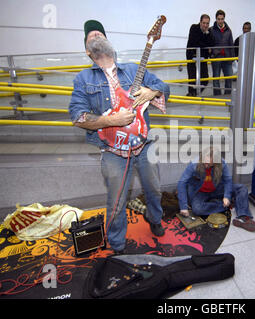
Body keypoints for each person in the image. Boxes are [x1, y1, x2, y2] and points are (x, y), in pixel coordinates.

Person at [68, 20, 170, 254]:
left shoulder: (134, 70)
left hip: (144, 144)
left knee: (154, 188)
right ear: (87, 51)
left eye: (99, 33)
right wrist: (110, 121)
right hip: (113, 151)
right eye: (90, 36)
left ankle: (155, 219)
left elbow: (164, 87)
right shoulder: (83, 79)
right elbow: (77, 115)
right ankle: (117, 243)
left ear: (107, 41)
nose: (95, 36)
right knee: (116, 201)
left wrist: (151, 91)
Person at [177, 147, 255, 232]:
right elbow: (181, 183)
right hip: (200, 192)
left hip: (217, 188)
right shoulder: (194, 164)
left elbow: (228, 180)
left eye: (209, 164)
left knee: (242, 188)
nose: (206, 165)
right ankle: (226, 204)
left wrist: (226, 196)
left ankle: (243, 217)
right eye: (204, 162)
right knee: (197, 209)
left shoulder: (222, 163)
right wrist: (183, 206)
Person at [186, 14, 216, 97]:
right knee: (192, 78)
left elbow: (212, 43)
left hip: (203, 57)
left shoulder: (209, 32)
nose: (205, 25)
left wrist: (205, 36)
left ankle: (195, 93)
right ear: (200, 22)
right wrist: (205, 44)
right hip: (191, 56)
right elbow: (195, 42)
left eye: (207, 23)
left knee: (205, 78)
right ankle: (191, 94)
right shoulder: (194, 28)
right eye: (204, 23)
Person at [210, 9, 234, 96]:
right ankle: (217, 96)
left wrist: (233, 58)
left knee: (229, 78)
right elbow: (209, 43)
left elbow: (231, 44)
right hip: (216, 57)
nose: (220, 21)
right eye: (218, 19)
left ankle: (228, 96)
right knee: (216, 79)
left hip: (227, 58)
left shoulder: (228, 30)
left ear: (224, 19)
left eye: (222, 19)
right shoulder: (211, 30)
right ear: (216, 19)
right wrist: (212, 54)